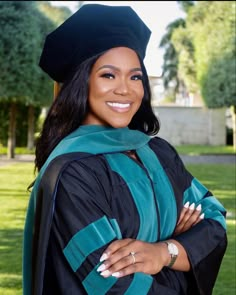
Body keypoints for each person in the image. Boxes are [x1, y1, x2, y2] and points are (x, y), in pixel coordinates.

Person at [23, 4, 227, 295]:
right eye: (108, 75)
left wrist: (162, 253)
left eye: (135, 77)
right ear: (82, 82)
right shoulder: (72, 173)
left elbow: (215, 221)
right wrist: (182, 249)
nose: (125, 89)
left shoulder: (158, 153)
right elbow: (113, 284)